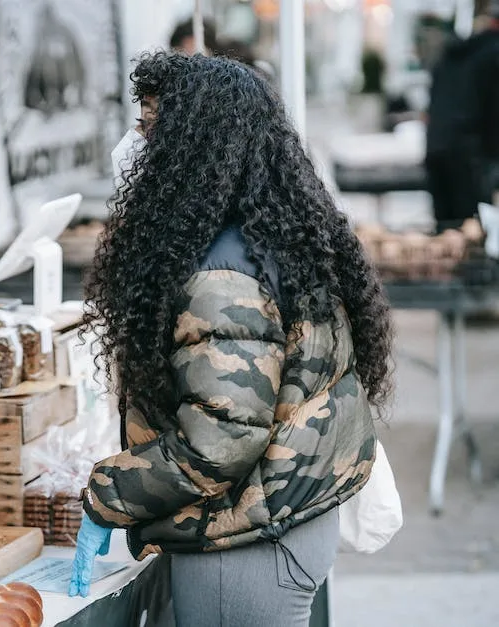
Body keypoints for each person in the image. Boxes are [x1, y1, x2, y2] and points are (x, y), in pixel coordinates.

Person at [69, 52, 393, 626]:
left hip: (245, 547)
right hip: (280, 522)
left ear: (190, 146)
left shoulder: (222, 279)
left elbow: (219, 440)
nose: (131, 147)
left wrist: (107, 496)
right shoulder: (275, 236)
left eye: (147, 130)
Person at [425, 0, 499, 230]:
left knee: (448, 242)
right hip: (472, 159)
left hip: (437, 151)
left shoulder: (452, 54)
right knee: (475, 240)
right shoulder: (493, 54)